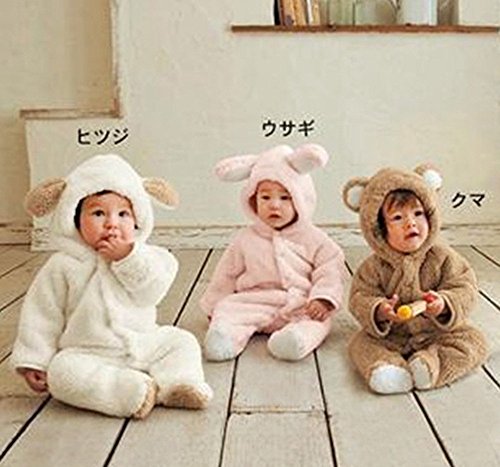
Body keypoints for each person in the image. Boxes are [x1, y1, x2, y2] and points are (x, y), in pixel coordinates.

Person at [11, 154, 212, 418]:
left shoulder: (149, 257)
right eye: (98, 213)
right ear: (74, 218)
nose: (112, 223)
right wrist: (34, 360)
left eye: (123, 214)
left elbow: (151, 292)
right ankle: (130, 391)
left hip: (144, 341)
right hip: (88, 353)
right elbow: (41, 315)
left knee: (181, 341)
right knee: (61, 373)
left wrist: (127, 258)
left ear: (137, 219)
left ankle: (180, 385)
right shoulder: (63, 265)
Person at [342, 164, 488, 394]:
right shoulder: (373, 267)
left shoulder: (443, 257)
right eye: (397, 217)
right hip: (392, 335)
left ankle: (430, 367)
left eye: (418, 214)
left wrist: (444, 303)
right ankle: (389, 370)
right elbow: (360, 296)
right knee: (360, 345)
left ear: (430, 216)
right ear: (379, 230)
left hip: (438, 332)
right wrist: (379, 310)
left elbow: (464, 286)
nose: (410, 222)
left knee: (474, 342)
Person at [200, 144, 345, 361]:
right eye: (265, 197)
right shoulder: (245, 239)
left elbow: (330, 269)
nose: (274, 205)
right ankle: (225, 338)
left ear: (301, 199)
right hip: (254, 301)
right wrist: (214, 304)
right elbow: (226, 274)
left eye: (285, 198)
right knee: (228, 308)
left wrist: (323, 299)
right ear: (253, 200)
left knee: (318, 321)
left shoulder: (314, 238)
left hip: (300, 303)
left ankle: (294, 341)